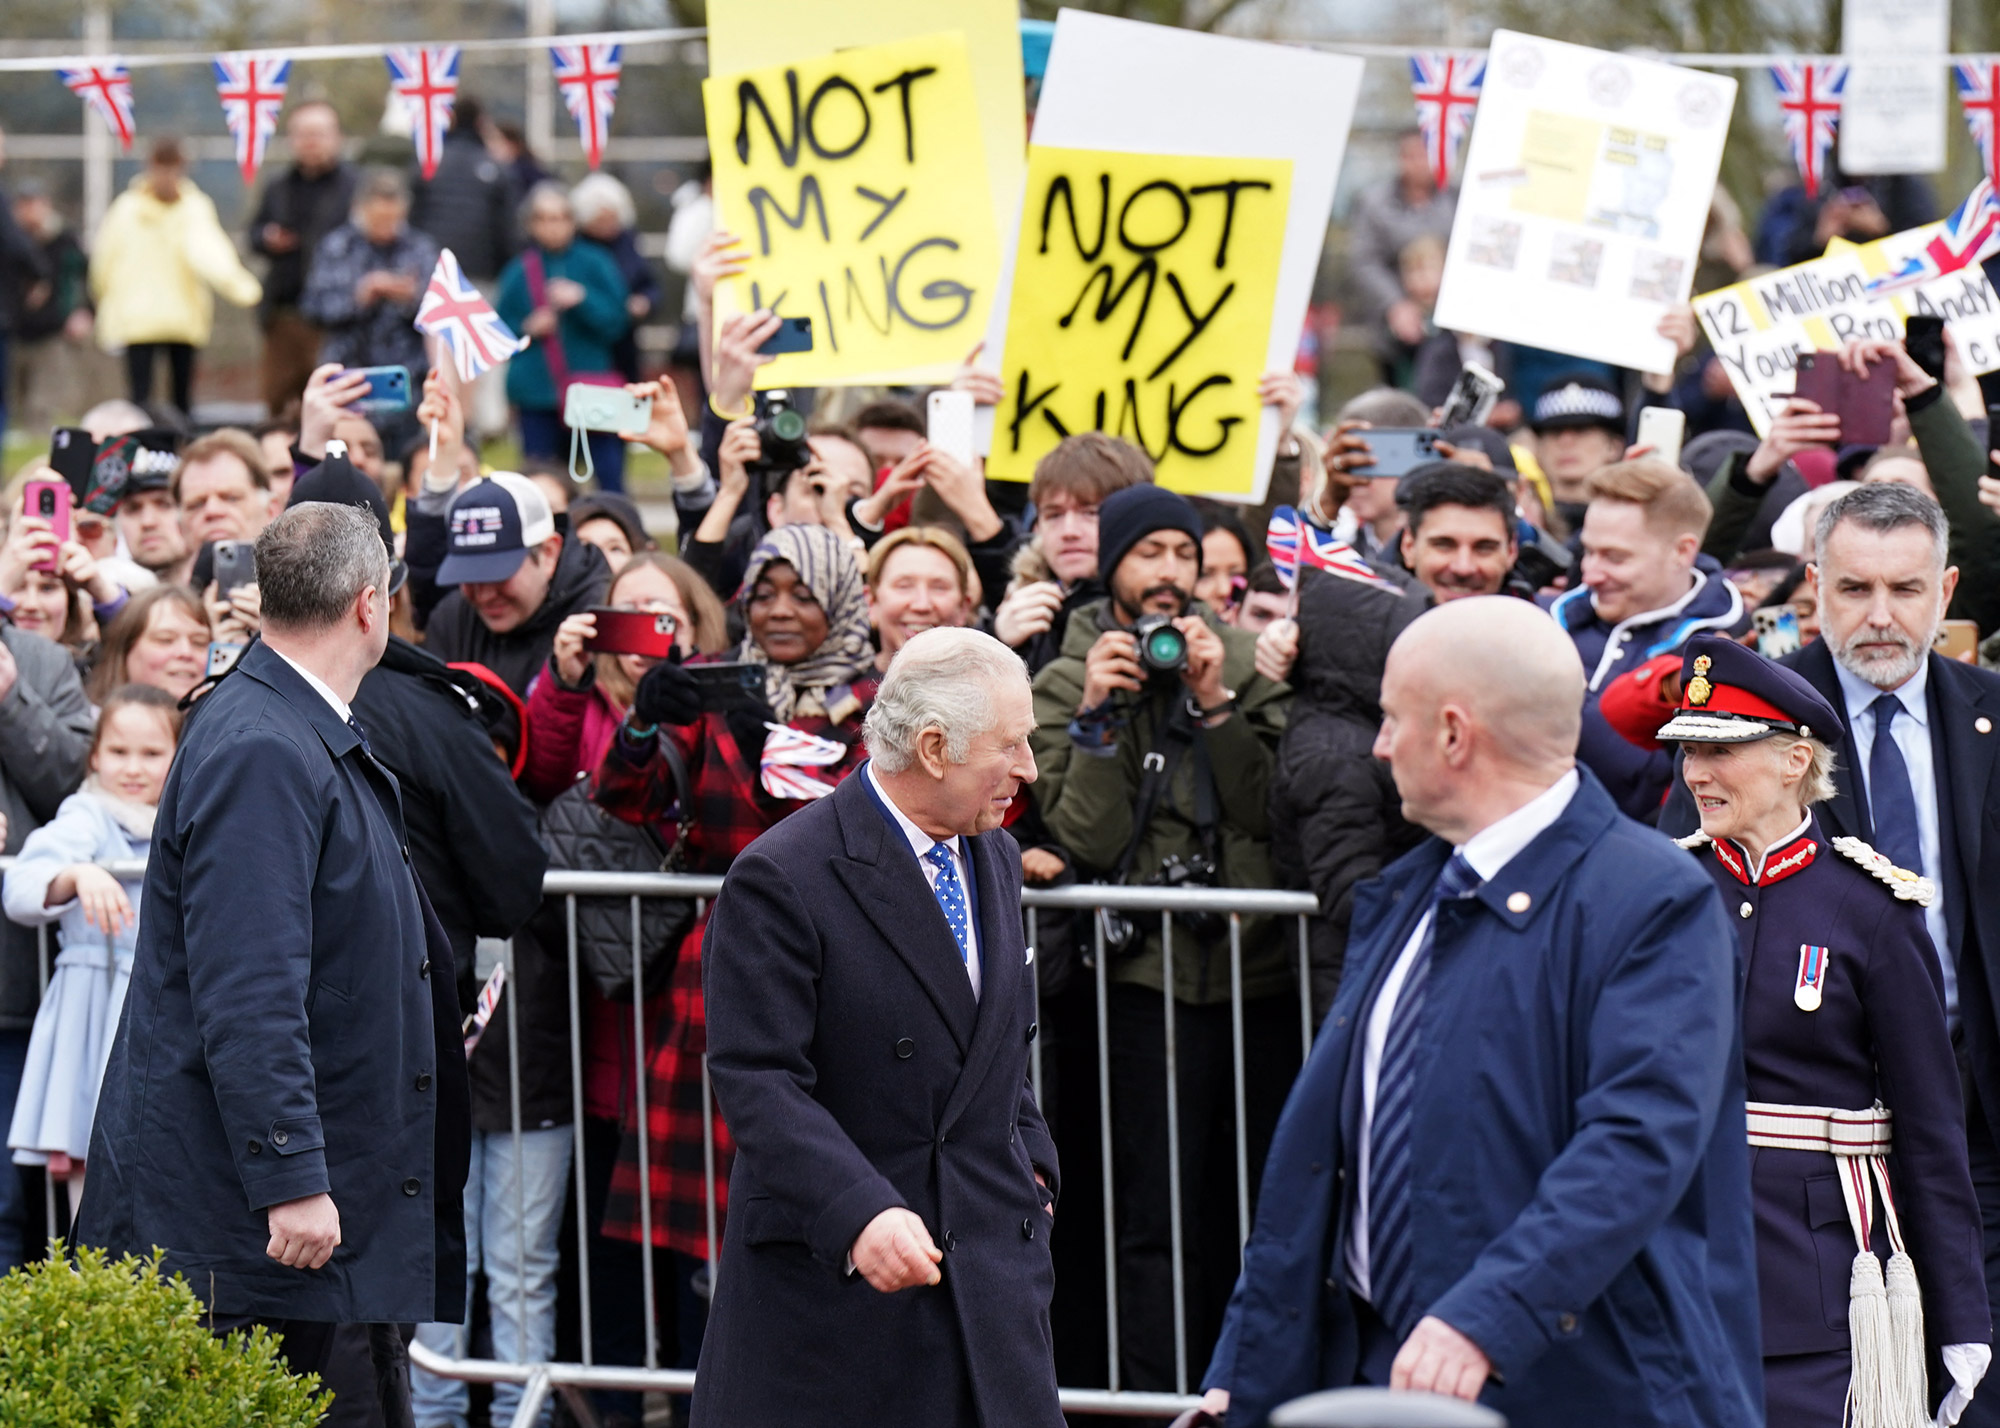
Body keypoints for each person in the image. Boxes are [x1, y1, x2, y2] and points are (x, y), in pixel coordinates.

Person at [1194, 596, 1759, 1428]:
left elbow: (1637, 1142)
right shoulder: (1410, 891)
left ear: (1455, 734)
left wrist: (1485, 1317)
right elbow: (1326, 1157)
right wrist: (1245, 1367)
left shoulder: (1651, 900)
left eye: (1392, 720)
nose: (1380, 744)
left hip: (1569, 1383)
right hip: (1390, 1366)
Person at [77, 503, 470, 1422]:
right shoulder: (262, 745)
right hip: (252, 1236)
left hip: (291, 1227)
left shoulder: (288, 726)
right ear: (371, 608)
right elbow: (249, 989)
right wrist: (292, 1174)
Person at [1657, 484, 2000, 1416]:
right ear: (1814, 587)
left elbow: (1931, 1131)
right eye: (1854, 589)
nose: (1881, 616)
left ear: (1947, 589)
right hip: (1733, 1216)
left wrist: (1961, 1318)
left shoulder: (1985, 725)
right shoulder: (1692, 847)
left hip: (1924, 1165)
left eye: (1905, 589)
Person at [689, 626, 1060, 1428]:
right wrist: (858, 1210)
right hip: (845, 1305)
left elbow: (1000, 1046)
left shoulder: (992, 854)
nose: (1029, 768)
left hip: (990, 1286)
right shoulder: (783, 875)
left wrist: (1032, 1165)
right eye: (1012, 744)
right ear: (933, 748)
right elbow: (757, 1078)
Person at [1029, 483, 1294, 1389]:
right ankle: (1152, 1394)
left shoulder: (1251, 663)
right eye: (1150, 554)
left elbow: (1268, 810)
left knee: (1251, 1204)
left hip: (1257, 978)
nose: (1170, 574)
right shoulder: (1068, 678)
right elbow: (1084, 839)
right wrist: (1099, 721)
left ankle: (1239, 1390)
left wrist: (1217, 702)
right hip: (1142, 986)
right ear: (1113, 568)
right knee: (1150, 1214)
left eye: (1184, 555)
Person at [592, 525, 881, 1309]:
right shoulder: (718, 685)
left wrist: (767, 748)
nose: (780, 611)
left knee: (824, 1203)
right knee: (709, 1239)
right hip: (714, 973)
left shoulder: (874, 700)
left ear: (843, 602)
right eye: (764, 594)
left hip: (837, 968)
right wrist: (647, 722)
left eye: (802, 594)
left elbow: (861, 820)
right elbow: (625, 797)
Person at [4, 685, 178, 1216]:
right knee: (88, 1151)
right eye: (119, 752)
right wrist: (77, 874)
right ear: (96, 754)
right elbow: (21, 886)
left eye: (151, 754)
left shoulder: (182, 817)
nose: (133, 768)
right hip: (93, 1009)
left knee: (163, 1159)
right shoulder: (87, 814)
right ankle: (91, 1285)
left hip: (161, 1008)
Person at [1269, 565, 1426, 1023]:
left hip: (1363, 970)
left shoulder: (1350, 728)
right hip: (1351, 980)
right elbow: (1350, 891)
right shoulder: (1336, 754)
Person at [1547, 459, 1746, 819]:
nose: (1589, 574)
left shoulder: (1732, 649)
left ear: (1682, 552)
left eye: (1615, 557)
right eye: (1587, 551)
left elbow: (1658, 794)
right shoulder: (1544, 618)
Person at [0, 613, 94, 1273]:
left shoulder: (40, 663)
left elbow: (75, 782)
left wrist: (10, 699)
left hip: (16, 993)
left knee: (8, 1207)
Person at [89, 137, 262, 418]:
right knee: (140, 400)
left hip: (181, 319)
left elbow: (212, 254)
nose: (167, 177)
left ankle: (181, 455)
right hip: (138, 319)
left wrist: (243, 289)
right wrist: (102, 303)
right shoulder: (127, 209)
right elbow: (104, 261)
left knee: (181, 399)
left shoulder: (193, 208)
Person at [495, 184, 632, 491]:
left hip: (591, 390)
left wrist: (583, 299)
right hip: (537, 392)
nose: (553, 226)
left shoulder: (595, 262)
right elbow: (500, 332)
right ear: (532, 225)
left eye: (560, 218)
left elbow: (617, 322)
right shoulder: (519, 270)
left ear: (573, 222)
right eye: (544, 218)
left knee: (609, 478)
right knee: (540, 480)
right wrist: (529, 327)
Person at [426, 473, 610, 695]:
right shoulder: (451, 621)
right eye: (468, 577)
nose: (484, 595)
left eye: (497, 575)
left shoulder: (599, 620)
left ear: (548, 554)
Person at [991, 432, 1152, 675]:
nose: (1069, 532)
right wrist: (996, 644)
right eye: (1053, 515)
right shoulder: (1017, 608)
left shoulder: (1168, 607)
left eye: (1090, 513)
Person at [249, 100, 357, 413]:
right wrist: (268, 238)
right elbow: (254, 233)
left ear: (336, 138)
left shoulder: (353, 187)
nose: (311, 142)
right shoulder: (278, 186)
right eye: (303, 134)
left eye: (319, 134)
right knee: (278, 404)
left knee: (335, 404)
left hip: (335, 318)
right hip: (284, 314)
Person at [300, 168, 440, 393]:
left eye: (393, 219)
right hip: (349, 373)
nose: (387, 228)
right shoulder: (337, 247)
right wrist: (360, 296)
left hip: (408, 376)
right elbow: (313, 307)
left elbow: (441, 313)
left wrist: (409, 297)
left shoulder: (420, 249)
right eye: (379, 220)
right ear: (360, 211)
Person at [1349, 131, 1457, 387]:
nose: (1420, 163)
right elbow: (1365, 261)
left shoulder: (1457, 199)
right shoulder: (1375, 203)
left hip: (1451, 322)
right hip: (1396, 332)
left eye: (1426, 155)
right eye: (1413, 156)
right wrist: (1396, 304)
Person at [9, 179, 96, 435]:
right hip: (15, 330)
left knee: (43, 405)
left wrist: (85, 312)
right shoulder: (11, 240)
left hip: (52, 332)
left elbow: (87, 279)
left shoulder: (65, 240)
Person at [408, 96, 516, 287]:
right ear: (481, 122)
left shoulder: (426, 164)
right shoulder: (497, 168)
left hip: (433, 273)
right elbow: (508, 229)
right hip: (481, 273)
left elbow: (411, 218)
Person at [572, 173, 661, 384]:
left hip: (625, 339)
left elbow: (648, 283)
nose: (608, 226)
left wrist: (645, 302)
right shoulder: (578, 248)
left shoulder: (627, 242)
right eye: (601, 219)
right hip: (589, 341)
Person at [866, 526, 974, 675]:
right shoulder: (836, 693)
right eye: (904, 586)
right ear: (871, 602)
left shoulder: (995, 693)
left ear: (963, 607)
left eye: (939, 588)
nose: (922, 605)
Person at [1528, 375, 1630, 526]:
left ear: (1614, 447)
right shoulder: (1522, 519)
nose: (1565, 442)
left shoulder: (1629, 520)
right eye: (1555, 431)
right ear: (1538, 448)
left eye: (1581, 430)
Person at [87, 584, 210, 704]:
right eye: (165, 640)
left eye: (199, 643)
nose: (186, 652)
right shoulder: (84, 720)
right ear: (125, 651)